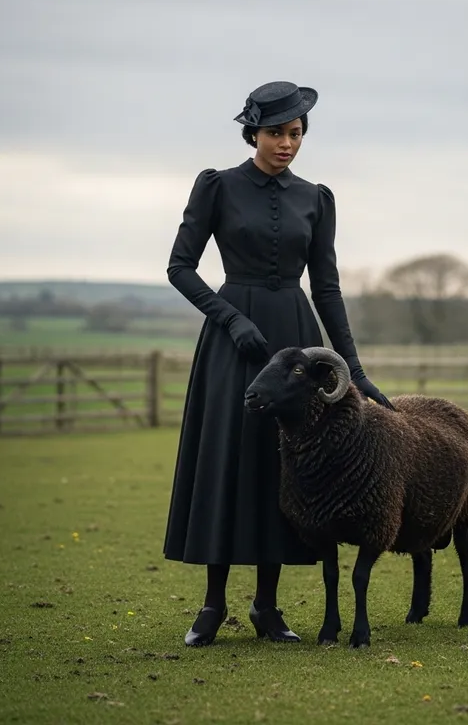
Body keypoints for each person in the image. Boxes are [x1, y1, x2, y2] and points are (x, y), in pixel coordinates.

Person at [162, 81, 392, 647]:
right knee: (230, 458)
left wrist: (352, 369)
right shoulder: (216, 186)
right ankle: (213, 605)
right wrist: (230, 318)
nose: (287, 144)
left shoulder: (316, 198)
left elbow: (329, 288)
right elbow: (180, 267)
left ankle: (268, 607)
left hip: (296, 338)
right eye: (275, 133)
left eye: (295, 134)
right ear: (253, 133)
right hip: (232, 337)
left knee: (284, 468)